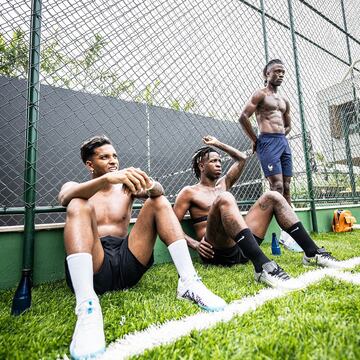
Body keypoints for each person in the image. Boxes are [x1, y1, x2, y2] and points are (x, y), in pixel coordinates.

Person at [58, 135, 226, 359]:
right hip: (95, 265)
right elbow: (64, 198)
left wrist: (148, 182)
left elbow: (159, 191)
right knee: (77, 203)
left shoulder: (126, 188)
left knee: (158, 201)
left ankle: (189, 282)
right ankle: (87, 307)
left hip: (127, 259)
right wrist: (107, 180)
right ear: (90, 164)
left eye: (115, 156)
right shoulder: (76, 187)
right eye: (104, 157)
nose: (113, 161)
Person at [173, 136, 344, 291]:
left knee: (273, 196)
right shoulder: (189, 192)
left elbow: (241, 158)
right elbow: (171, 225)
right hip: (216, 251)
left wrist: (217, 144)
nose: (219, 164)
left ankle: (312, 253)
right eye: (213, 161)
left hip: (242, 247)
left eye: (219, 161)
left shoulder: (223, 183)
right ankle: (262, 266)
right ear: (201, 166)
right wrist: (195, 244)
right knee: (225, 198)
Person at [239, 59, 295, 245]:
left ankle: (288, 236)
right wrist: (256, 140)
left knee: (286, 187)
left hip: (282, 142)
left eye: (283, 72)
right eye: (276, 71)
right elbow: (243, 117)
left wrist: (281, 137)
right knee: (276, 187)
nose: (280, 75)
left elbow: (288, 126)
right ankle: (257, 233)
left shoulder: (284, 100)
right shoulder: (260, 94)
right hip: (267, 142)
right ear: (266, 74)